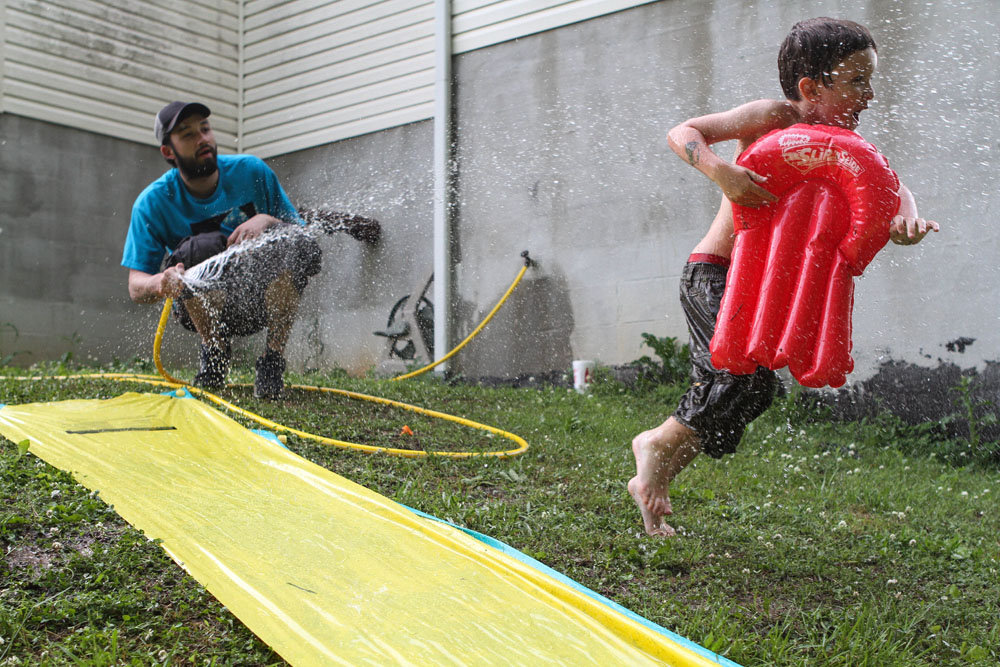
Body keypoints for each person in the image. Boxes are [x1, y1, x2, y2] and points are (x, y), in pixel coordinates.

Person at [628, 17, 940, 537]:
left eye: (871, 80)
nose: (870, 94)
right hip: (714, 273)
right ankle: (654, 448)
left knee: (754, 391)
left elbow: (891, 185)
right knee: (738, 377)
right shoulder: (772, 118)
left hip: (762, 282)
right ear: (810, 88)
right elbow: (683, 132)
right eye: (857, 81)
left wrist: (907, 217)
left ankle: (654, 469)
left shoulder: (844, 142)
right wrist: (718, 169)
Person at [121, 101, 321, 399]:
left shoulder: (251, 171)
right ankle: (215, 355)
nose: (202, 139)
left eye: (205, 129)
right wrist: (161, 282)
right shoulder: (153, 203)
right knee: (198, 248)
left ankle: (272, 361)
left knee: (292, 244)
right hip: (202, 308)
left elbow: (303, 237)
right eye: (188, 134)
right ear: (168, 152)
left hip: (260, 299)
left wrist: (265, 219)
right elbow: (136, 287)